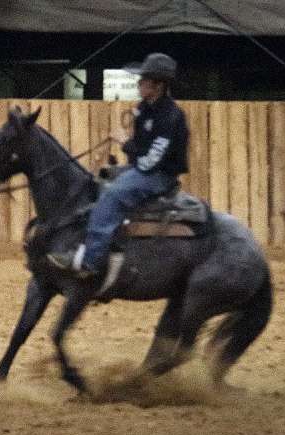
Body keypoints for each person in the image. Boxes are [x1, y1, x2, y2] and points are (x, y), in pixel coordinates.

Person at [47, 53, 189, 278]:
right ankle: (99, 241)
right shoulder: (145, 109)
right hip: (144, 169)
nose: (139, 83)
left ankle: (90, 262)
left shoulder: (171, 117)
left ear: (159, 85)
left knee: (113, 194)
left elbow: (150, 162)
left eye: (144, 80)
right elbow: (142, 155)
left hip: (160, 175)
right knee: (96, 181)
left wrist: (125, 143)